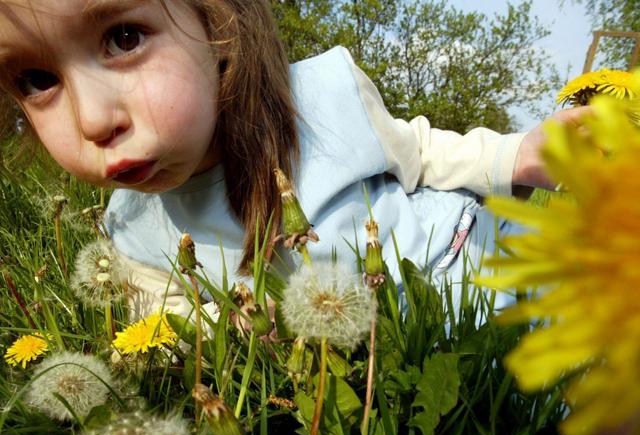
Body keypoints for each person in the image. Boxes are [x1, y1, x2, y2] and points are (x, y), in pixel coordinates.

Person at [0, 0, 586, 321]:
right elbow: (171, 319)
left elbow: (423, 154)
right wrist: (233, 327)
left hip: (474, 261)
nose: (92, 120)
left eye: (125, 38)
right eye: (37, 80)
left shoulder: (317, 99)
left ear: (219, 25)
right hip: (374, 352)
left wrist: (518, 153)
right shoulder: (131, 229)